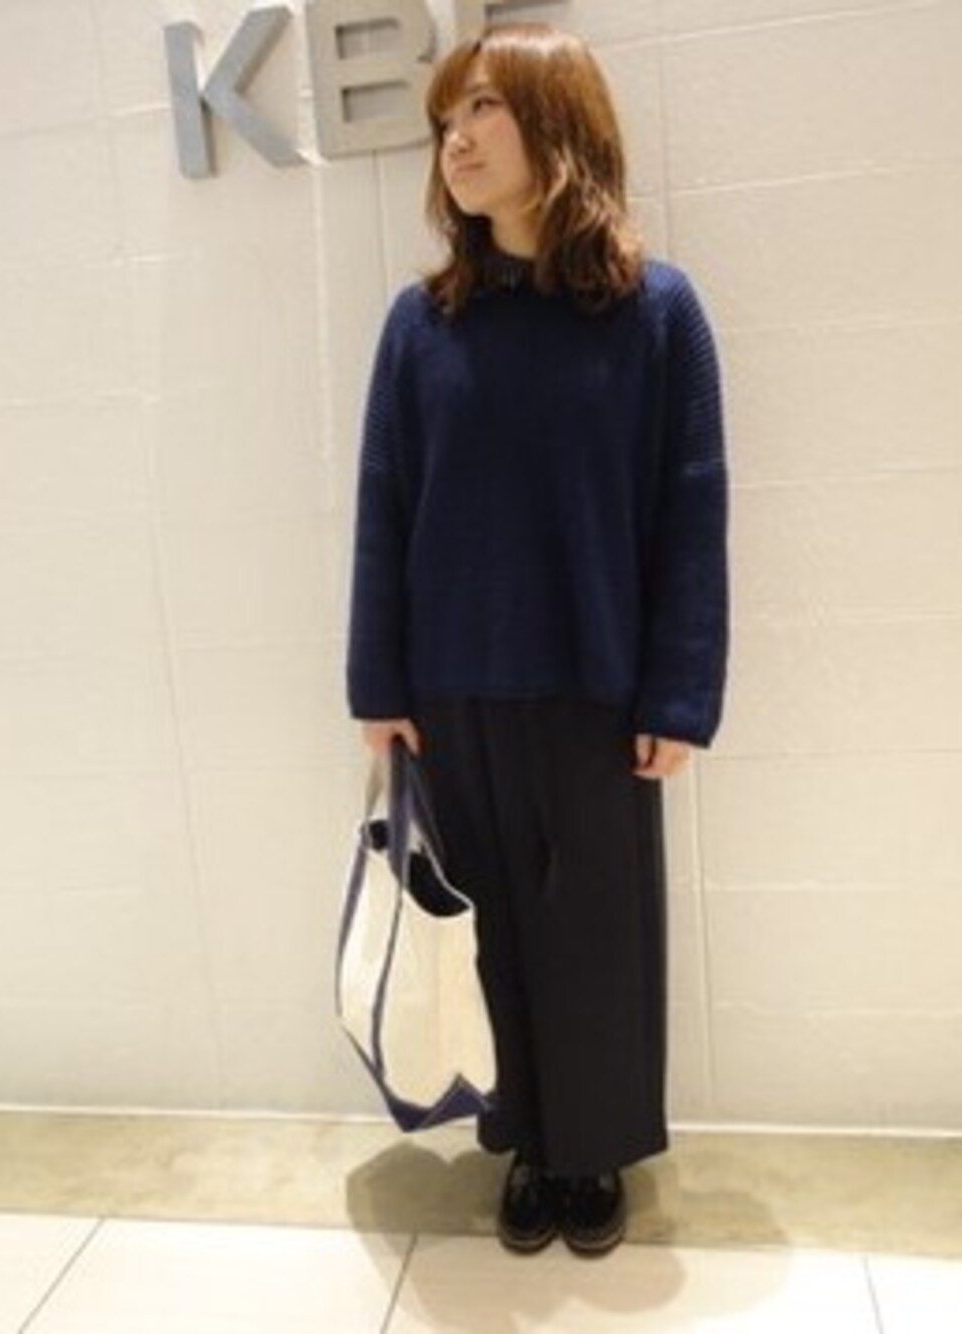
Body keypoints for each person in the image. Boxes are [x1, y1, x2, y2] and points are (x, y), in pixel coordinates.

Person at [345, 22, 728, 1257]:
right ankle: (520, 1140)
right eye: (444, 121)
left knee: (598, 934)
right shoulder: (422, 325)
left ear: (557, 122)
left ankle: (592, 1148)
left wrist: (678, 694)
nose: (454, 141)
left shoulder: (655, 313)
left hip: (600, 691)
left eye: (482, 110)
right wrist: (378, 685)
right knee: (488, 929)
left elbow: (690, 509)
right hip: (453, 690)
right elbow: (383, 504)